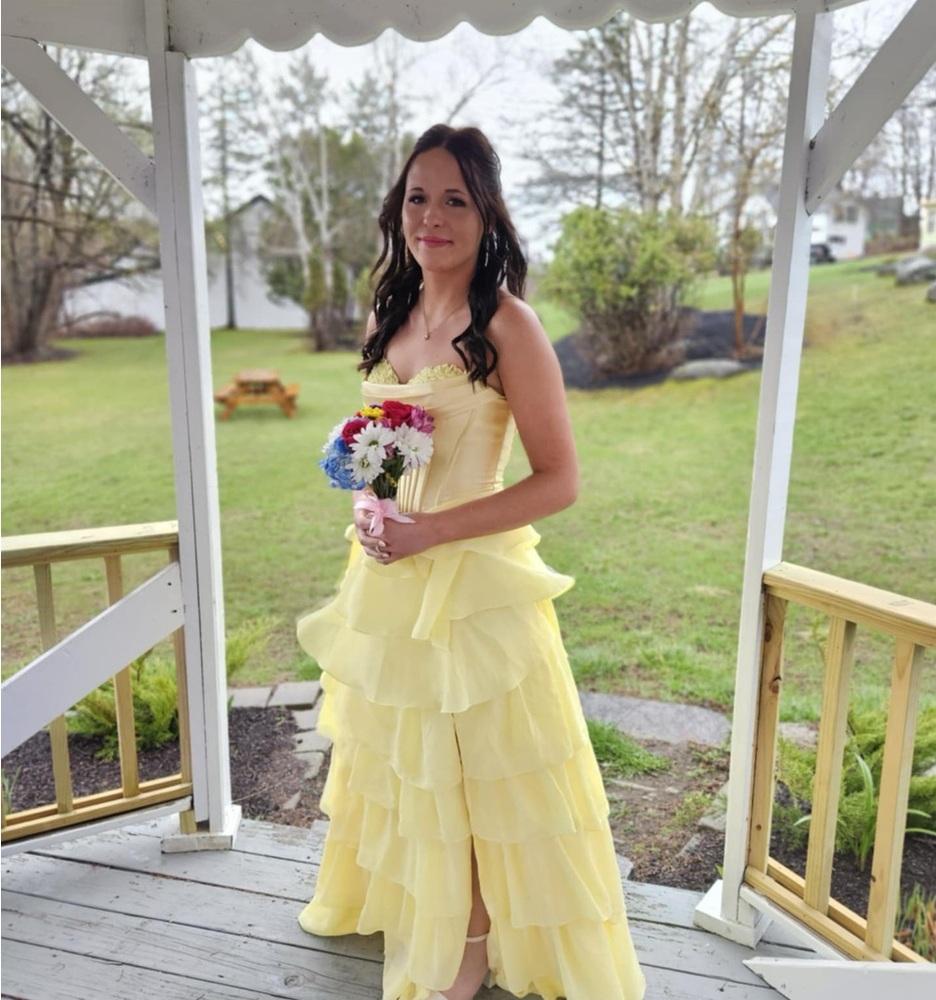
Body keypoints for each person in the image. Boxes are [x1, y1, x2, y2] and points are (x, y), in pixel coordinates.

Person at [297, 124, 645, 1000]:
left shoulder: (508, 327)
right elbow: (383, 446)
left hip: (474, 584)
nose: (433, 217)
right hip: (388, 580)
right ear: (398, 210)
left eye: (455, 199)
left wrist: (434, 531)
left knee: (479, 770)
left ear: (487, 214)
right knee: (406, 757)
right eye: (419, 197)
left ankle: (473, 943)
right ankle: (420, 907)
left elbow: (560, 480)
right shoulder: (387, 316)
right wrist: (368, 504)